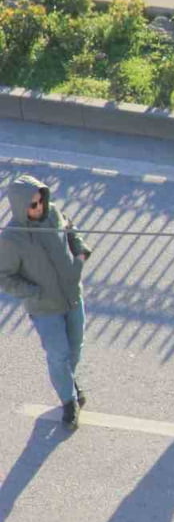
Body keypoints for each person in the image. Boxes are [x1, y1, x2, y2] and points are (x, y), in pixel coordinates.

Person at [0, 175, 92, 430]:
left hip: (73, 296)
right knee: (58, 355)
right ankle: (68, 402)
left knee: (75, 348)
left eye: (40, 201)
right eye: (32, 205)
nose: (38, 208)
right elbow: (4, 277)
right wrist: (33, 292)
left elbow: (72, 232)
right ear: (20, 206)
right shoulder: (12, 238)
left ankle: (69, 383)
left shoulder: (53, 214)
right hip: (45, 308)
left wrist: (81, 254)